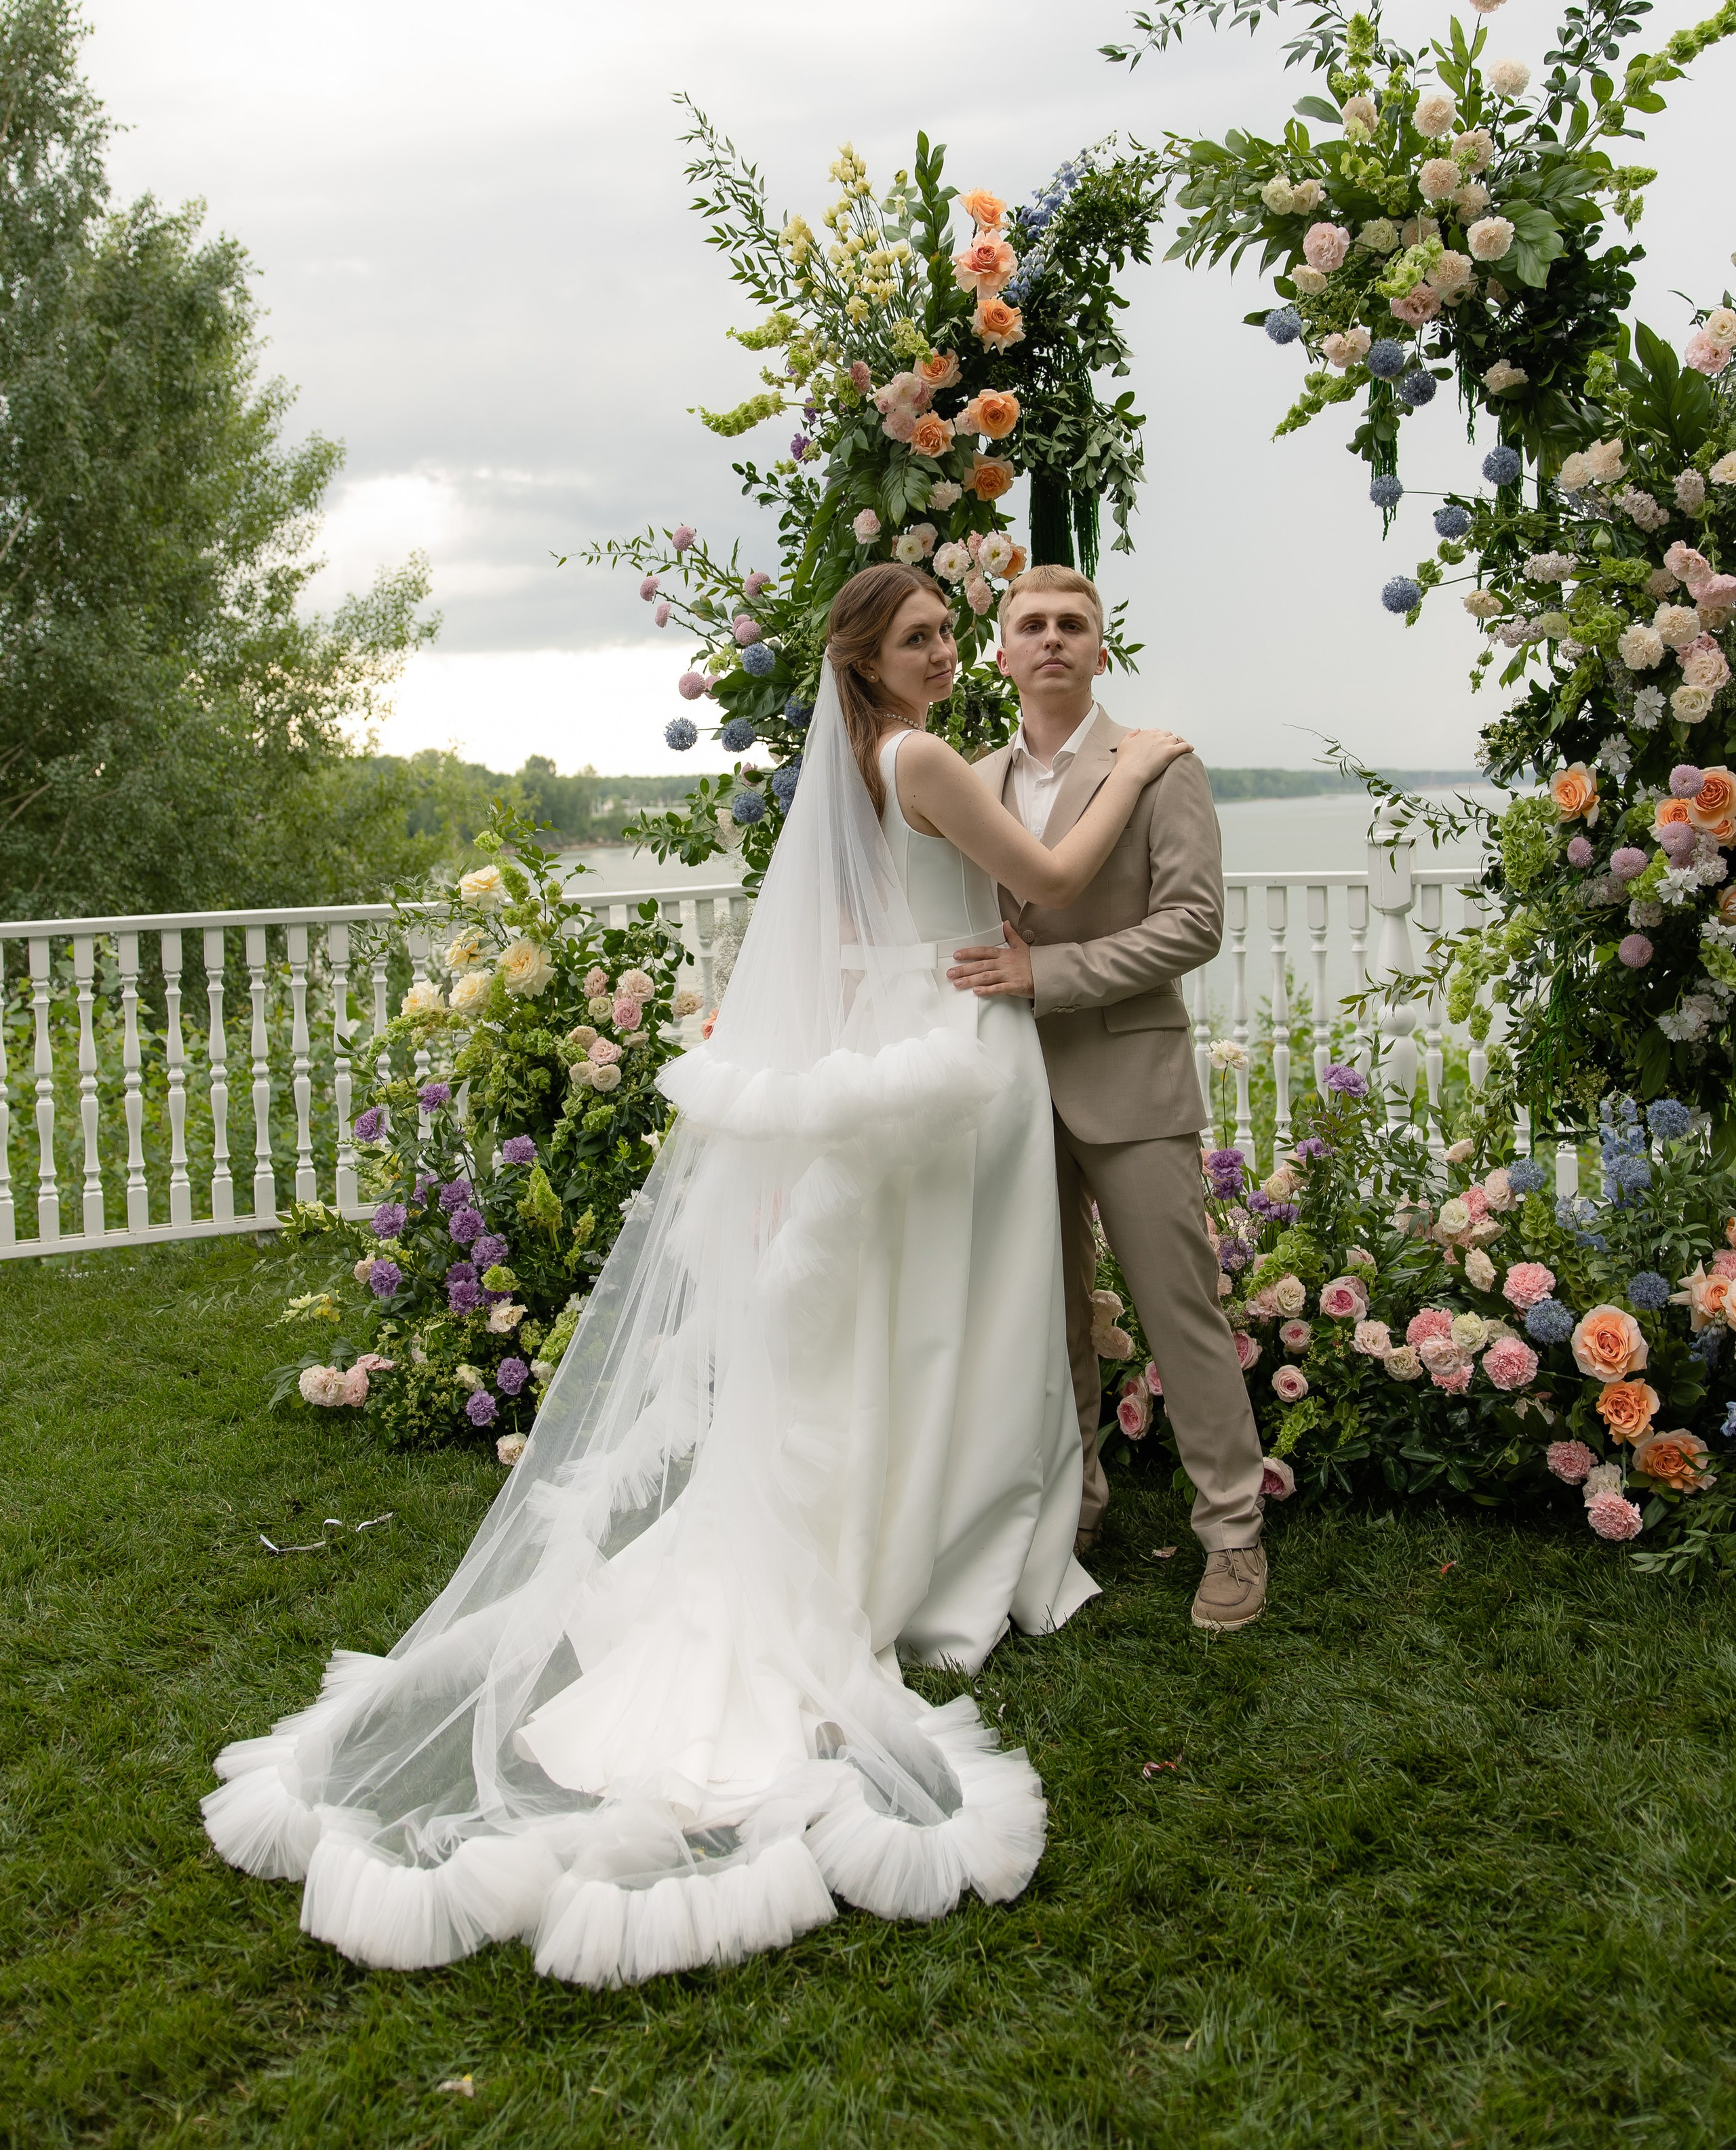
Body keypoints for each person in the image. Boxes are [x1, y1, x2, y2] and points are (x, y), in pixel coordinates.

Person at [202, 561, 1189, 1988]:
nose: (939, 655)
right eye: (917, 639)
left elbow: (856, 935)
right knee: (961, 1316)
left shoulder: (858, 762)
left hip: (901, 1045)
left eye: (937, 636)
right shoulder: (918, 752)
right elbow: (1046, 878)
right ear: (865, 660)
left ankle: (935, 1524)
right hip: (952, 1049)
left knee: (917, 1318)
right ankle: (959, 1537)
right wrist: (1142, 760)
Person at [947, 564, 1269, 1635]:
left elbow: (1194, 923)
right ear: (1001, 653)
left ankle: (1232, 1531)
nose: (1050, 639)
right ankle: (1073, 1510)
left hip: (1129, 1078)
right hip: (1006, 1088)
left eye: (1071, 626)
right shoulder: (971, 778)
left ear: (1099, 650)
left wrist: (1055, 977)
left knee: (1181, 1313)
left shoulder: (1158, 766)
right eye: (1031, 625)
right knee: (1044, 1320)